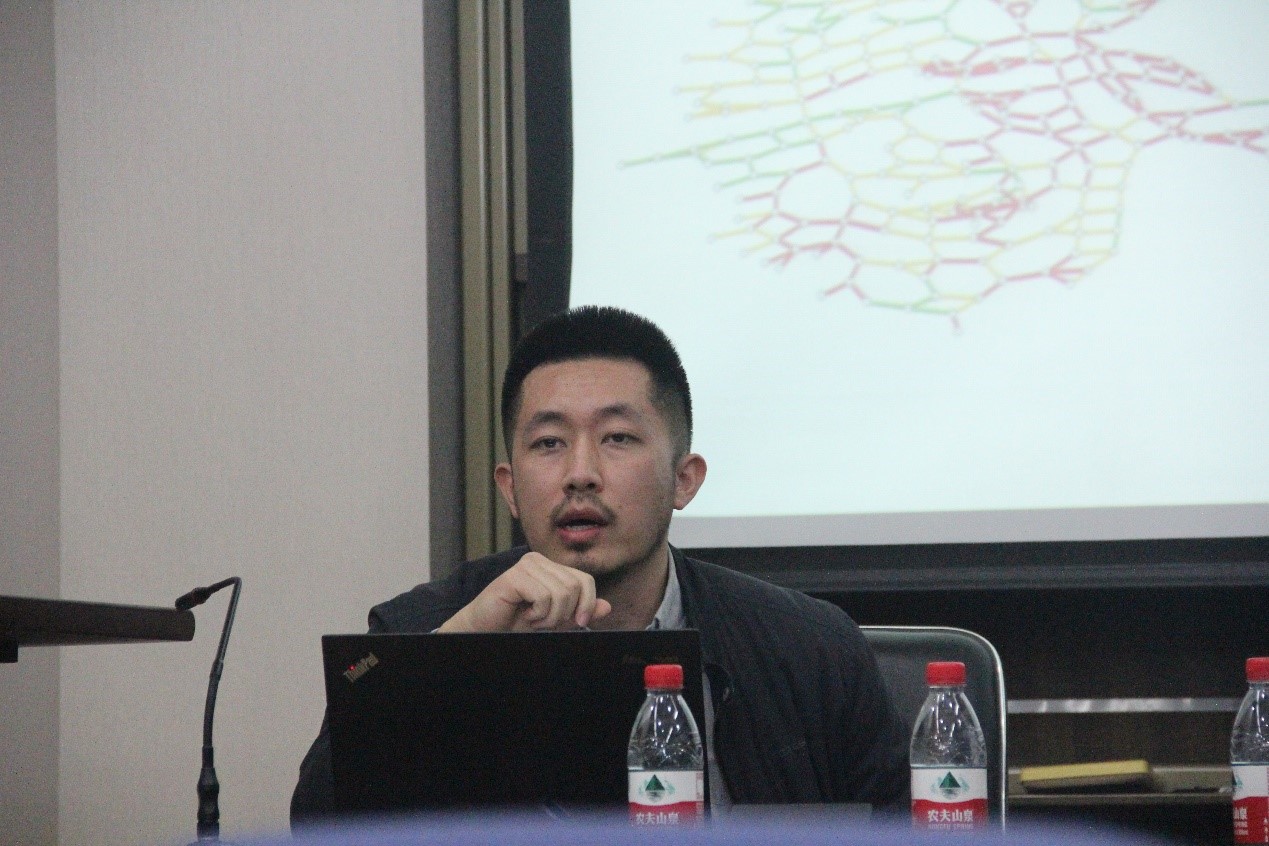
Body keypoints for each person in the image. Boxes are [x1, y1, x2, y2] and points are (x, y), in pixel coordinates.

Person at [291, 306, 908, 821]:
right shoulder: (419, 630)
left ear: (684, 479)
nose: (580, 473)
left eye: (617, 438)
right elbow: (318, 824)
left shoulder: (809, 648)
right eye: (548, 443)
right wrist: (460, 652)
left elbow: (900, 831)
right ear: (510, 488)